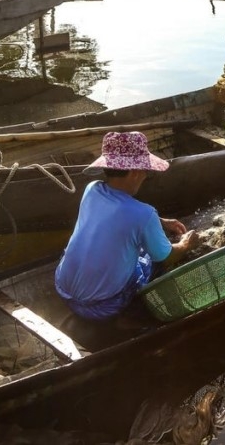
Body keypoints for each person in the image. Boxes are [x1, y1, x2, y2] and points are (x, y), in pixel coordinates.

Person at [54, 131, 201, 321]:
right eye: (145, 171)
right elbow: (167, 257)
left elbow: (119, 217)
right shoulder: (144, 214)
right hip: (102, 307)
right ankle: (132, 316)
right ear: (134, 172)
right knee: (154, 260)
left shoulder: (92, 189)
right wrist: (186, 244)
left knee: (132, 243)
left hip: (63, 289)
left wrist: (160, 221)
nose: (145, 176)